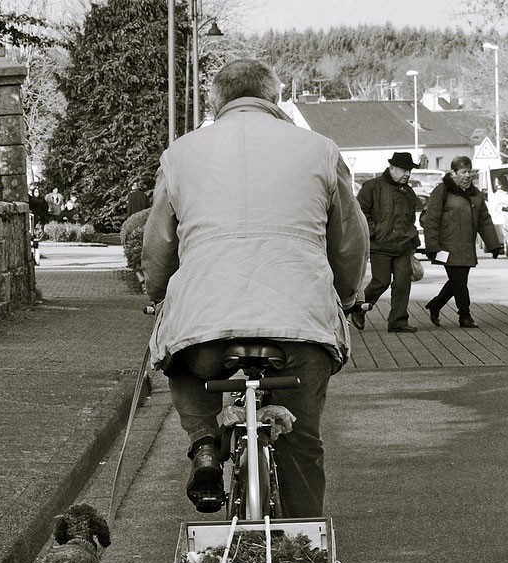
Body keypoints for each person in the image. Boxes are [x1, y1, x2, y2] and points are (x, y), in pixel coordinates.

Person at [142, 59, 368, 518]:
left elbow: (160, 245)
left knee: (181, 360)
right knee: (302, 441)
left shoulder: (181, 154)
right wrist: (345, 298)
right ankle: (304, 547)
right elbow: (348, 242)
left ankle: (205, 443)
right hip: (300, 326)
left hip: (207, 322)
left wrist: (158, 295)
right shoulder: (321, 150)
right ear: (276, 99)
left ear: (214, 101)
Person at [422, 156, 502, 329]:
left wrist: (494, 244)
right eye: (463, 172)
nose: (467, 175)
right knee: (459, 282)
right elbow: (431, 220)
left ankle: (435, 305)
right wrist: (433, 247)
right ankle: (464, 316)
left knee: (456, 282)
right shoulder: (442, 191)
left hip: (466, 247)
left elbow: (484, 221)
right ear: (453, 173)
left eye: (469, 171)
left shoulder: (475, 194)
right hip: (446, 247)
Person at [351, 152, 421, 333]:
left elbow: (411, 218)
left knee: (402, 283)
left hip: (403, 246)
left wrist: (413, 241)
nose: (407, 174)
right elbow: (360, 212)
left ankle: (398, 321)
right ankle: (359, 309)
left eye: (410, 170)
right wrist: (375, 232)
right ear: (392, 168)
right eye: (404, 170)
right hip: (380, 246)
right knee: (381, 281)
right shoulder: (372, 187)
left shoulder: (409, 192)